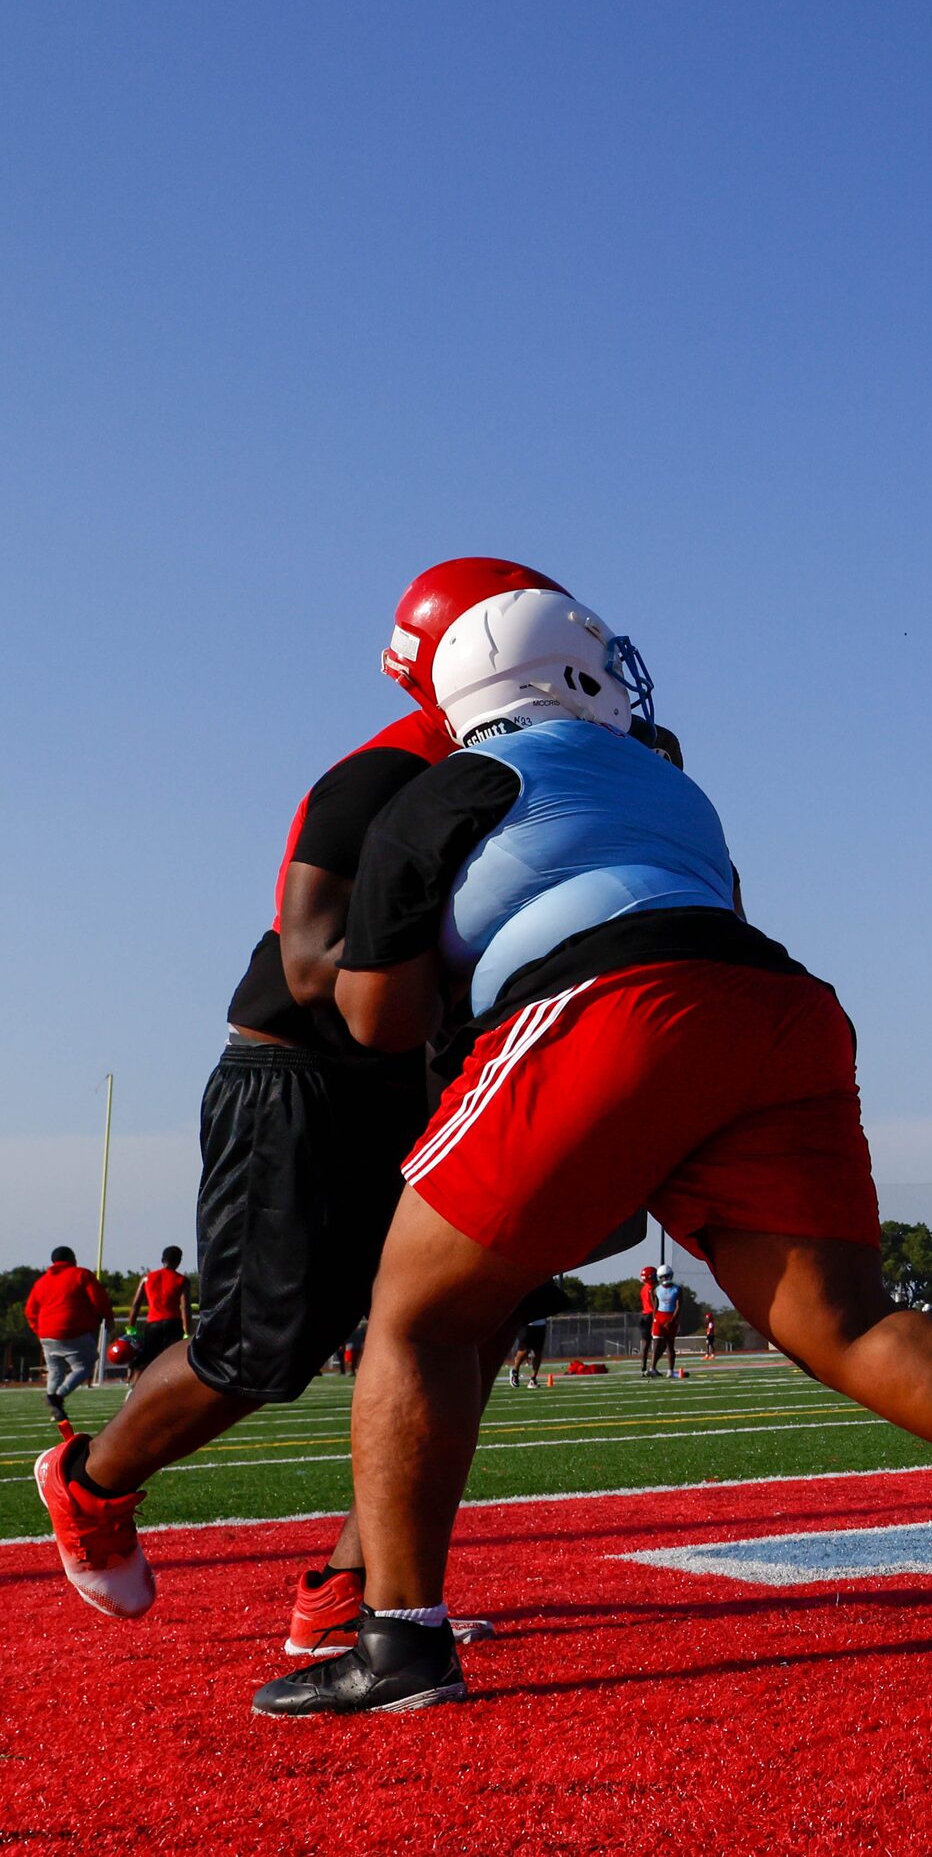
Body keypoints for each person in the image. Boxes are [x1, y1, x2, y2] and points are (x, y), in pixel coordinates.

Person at [250, 584, 932, 1716]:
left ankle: (399, 1640)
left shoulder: (446, 787)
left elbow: (374, 1020)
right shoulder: (671, 780)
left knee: (417, 1317)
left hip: (610, 1008)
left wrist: (419, 941)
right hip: (777, 1008)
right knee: (844, 1318)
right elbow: (709, 906)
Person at [31, 559, 568, 1635]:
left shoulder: (510, 765)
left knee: (473, 1311)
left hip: (418, 1072)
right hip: (301, 1075)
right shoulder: (382, 776)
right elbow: (318, 957)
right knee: (261, 1346)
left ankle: (353, 1590)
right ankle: (88, 1482)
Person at [24, 1249, 107, 1436]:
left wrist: (39, 1330)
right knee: (84, 1365)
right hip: (71, 1329)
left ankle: (56, 1412)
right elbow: (98, 1298)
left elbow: (30, 1311)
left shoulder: (41, 1282)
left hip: (46, 1332)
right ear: (70, 1259)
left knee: (55, 1370)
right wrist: (106, 1316)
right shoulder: (81, 1274)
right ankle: (57, 1397)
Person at [126, 1247, 193, 1376]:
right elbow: (185, 1307)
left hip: (153, 1324)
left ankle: (135, 1386)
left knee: (147, 1358)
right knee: (172, 1360)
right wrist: (186, 1330)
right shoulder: (181, 1280)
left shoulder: (147, 1278)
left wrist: (131, 1328)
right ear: (179, 1261)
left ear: (162, 1260)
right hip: (173, 1323)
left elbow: (135, 1305)